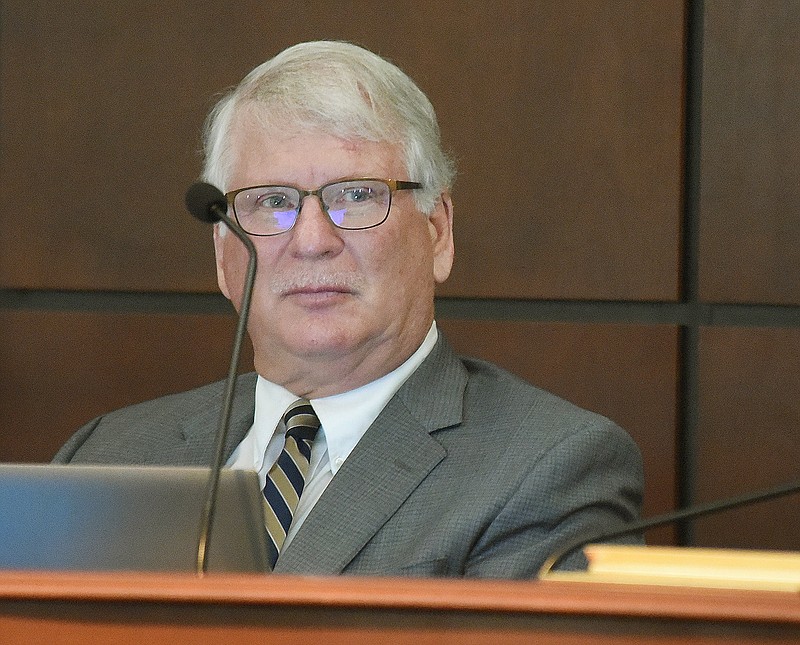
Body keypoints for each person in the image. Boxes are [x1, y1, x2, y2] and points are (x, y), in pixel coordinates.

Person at [54, 41, 643, 578]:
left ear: (437, 232)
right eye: (271, 203)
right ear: (223, 254)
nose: (311, 240)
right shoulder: (110, 454)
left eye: (357, 196)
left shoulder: (549, 470)